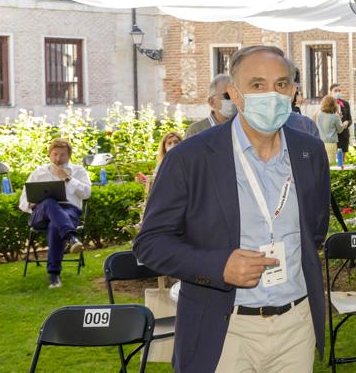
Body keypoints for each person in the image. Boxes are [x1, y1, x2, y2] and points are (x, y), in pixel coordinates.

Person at [135, 45, 330, 372]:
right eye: (257, 85)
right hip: (225, 329)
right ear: (234, 95)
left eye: (282, 84)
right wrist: (218, 265)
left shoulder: (310, 152)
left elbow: (316, 230)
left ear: (294, 92)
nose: (272, 94)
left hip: (296, 325)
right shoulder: (190, 158)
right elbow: (150, 244)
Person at [19, 138, 92, 288]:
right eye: (55, 154)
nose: (58, 159)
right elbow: (22, 201)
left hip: (69, 211)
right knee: (49, 202)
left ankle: (54, 275)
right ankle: (71, 237)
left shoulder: (78, 171)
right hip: (41, 214)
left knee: (55, 225)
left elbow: (86, 194)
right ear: (49, 154)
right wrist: (33, 202)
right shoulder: (38, 173)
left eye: (62, 155)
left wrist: (67, 178)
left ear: (69, 155)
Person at [185, 73, 236, 138]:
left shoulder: (244, 128)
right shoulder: (196, 131)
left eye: (235, 94)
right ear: (212, 102)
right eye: (228, 95)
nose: (233, 99)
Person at [315, 94, 342, 164]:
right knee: (331, 166)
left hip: (320, 143)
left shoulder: (319, 115)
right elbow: (340, 130)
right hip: (331, 144)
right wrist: (340, 120)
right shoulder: (335, 116)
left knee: (322, 165)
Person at [330, 83, 352, 157]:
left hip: (344, 135)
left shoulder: (345, 104)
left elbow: (350, 119)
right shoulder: (327, 104)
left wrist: (347, 122)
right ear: (331, 92)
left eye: (339, 90)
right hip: (333, 135)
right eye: (335, 91)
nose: (338, 92)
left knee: (342, 160)